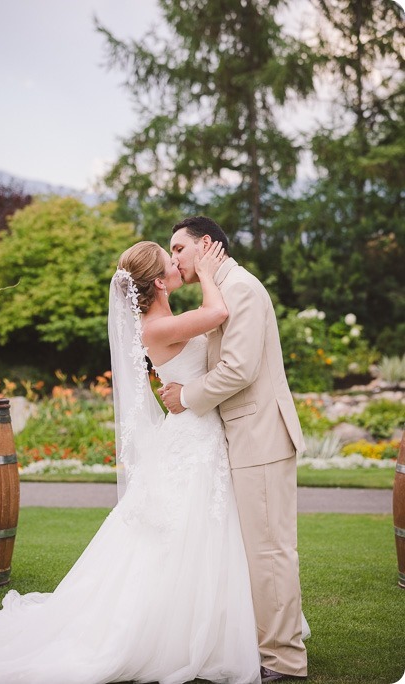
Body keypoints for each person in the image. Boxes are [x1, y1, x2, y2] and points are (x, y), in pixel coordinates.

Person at [0, 240, 262, 684]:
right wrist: (210, 274)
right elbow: (218, 314)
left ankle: (210, 624)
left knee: (199, 530)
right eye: (171, 261)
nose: (179, 264)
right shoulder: (155, 327)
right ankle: (178, 634)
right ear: (158, 282)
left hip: (195, 433)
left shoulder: (162, 320)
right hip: (192, 438)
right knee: (186, 532)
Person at [159, 217, 309, 683]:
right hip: (245, 437)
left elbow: (239, 369)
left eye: (179, 248)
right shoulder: (223, 289)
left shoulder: (241, 288)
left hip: (261, 436)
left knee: (270, 552)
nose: (175, 258)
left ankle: (284, 662)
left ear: (206, 244)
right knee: (260, 551)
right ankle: (266, 646)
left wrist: (185, 397)